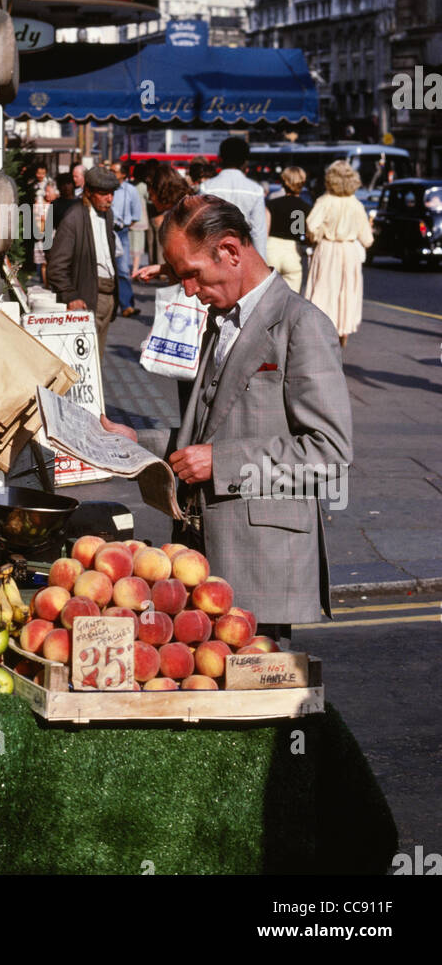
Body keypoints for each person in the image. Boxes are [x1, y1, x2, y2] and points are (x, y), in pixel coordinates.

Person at [142, 193, 352, 639]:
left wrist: (224, 463)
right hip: (198, 560)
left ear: (231, 251)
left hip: (261, 568)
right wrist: (129, 442)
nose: (189, 291)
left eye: (192, 274)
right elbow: (205, 435)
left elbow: (330, 455)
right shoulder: (218, 319)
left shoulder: (302, 324)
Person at [46, 166, 118, 359]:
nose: (109, 199)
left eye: (112, 193)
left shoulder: (107, 214)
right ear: (88, 192)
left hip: (107, 296)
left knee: (97, 360)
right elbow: (56, 266)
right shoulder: (74, 218)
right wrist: (70, 295)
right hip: (87, 297)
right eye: (103, 194)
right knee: (86, 362)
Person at [304, 160, 374, 348]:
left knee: (324, 292)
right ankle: (342, 335)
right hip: (349, 251)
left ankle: (322, 333)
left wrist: (318, 235)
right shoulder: (356, 204)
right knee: (346, 293)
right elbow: (367, 239)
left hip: (327, 249)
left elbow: (311, 226)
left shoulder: (324, 201)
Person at [200, 136, 268, 259]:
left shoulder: (207, 188)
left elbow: (201, 226)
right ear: (245, 162)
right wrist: (262, 264)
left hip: (213, 255)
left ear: (220, 159)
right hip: (241, 256)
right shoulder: (255, 190)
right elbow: (258, 233)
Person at [265, 165, 311, 293]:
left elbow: (265, 230)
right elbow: (305, 234)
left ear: (284, 182)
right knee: (292, 300)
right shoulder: (305, 207)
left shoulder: (271, 204)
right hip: (293, 252)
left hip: (271, 250)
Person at [111, 162, 144, 318]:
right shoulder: (106, 188)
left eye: (114, 171)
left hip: (122, 232)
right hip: (106, 230)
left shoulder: (130, 190)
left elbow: (136, 214)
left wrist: (124, 225)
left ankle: (127, 305)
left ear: (123, 174)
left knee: (123, 269)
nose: (111, 173)